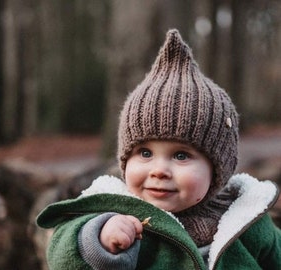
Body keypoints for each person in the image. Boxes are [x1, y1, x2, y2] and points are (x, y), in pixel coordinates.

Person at [36, 29, 281, 269]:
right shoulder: (114, 210)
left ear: (218, 168)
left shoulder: (246, 217)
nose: (159, 170)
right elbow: (60, 254)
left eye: (181, 155)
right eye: (145, 153)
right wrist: (97, 238)